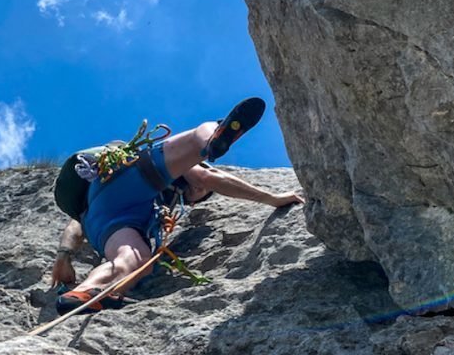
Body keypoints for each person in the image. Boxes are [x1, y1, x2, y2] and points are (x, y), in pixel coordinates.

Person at [50, 98, 304, 313]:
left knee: (137, 258)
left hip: (101, 219)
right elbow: (209, 178)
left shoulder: (149, 209)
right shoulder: (180, 179)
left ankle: (87, 292)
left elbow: (76, 224)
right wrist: (273, 198)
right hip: (133, 176)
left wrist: (64, 256)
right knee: (197, 140)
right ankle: (213, 136)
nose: (200, 191)